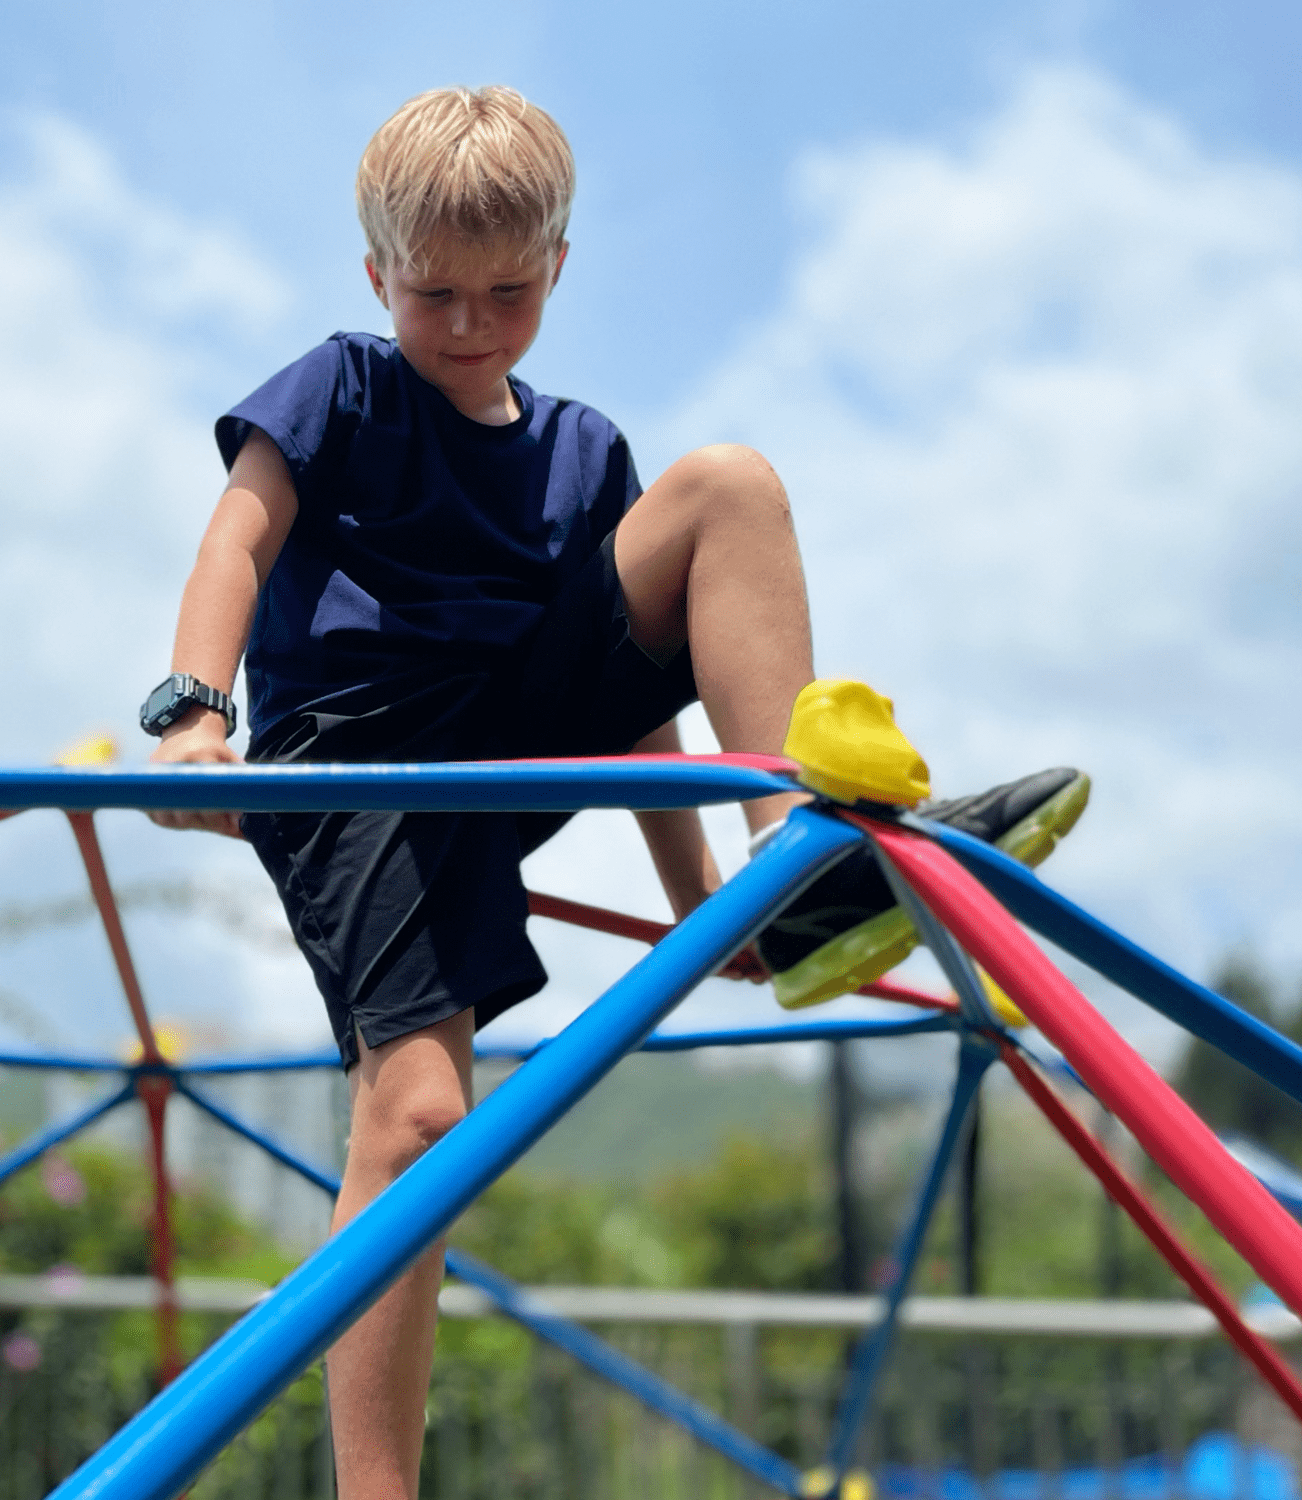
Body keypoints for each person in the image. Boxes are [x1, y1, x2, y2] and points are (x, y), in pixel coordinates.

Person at [141, 86, 1087, 1499]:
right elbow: (238, 538)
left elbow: (644, 699)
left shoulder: (582, 452)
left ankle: (800, 853)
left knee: (729, 486)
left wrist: (711, 902)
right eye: (433, 294)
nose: (467, 325)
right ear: (375, 278)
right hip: (359, 765)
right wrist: (195, 712)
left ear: (562, 267)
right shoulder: (342, 384)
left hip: (515, 731)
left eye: (507, 292)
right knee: (414, 1118)